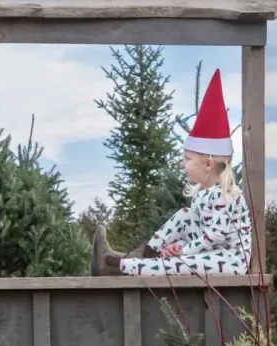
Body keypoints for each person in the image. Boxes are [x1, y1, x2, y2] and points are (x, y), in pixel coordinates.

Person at [90, 68, 252, 277]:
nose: (181, 164)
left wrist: (183, 250)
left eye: (187, 158)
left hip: (229, 260)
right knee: (184, 215)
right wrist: (176, 247)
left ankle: (121, 266)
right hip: (209, 252)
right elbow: (197, 231)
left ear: (208, 164)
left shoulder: (227, 195)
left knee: (180, 263)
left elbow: (215, 236)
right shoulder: (203, 195)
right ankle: (138, 260)